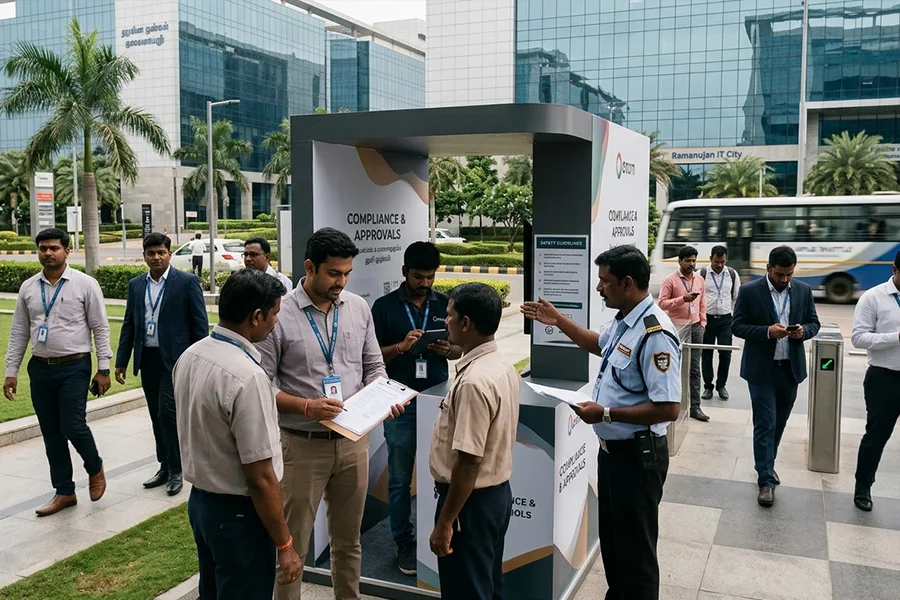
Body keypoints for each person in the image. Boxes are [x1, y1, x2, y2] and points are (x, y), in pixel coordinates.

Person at [522, 245, 680, 600]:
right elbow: (599, 344)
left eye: (604, 282)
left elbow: (669, 407)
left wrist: (606, 414)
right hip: (612, 455)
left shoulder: (655, 333)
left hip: (638, 458)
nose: (598, 288)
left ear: (627, 283)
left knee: (635, 555)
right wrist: (558, 320)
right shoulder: (626, 320)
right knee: (613, 544)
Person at [256, 227, 405, 600]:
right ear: (309, 267)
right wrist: (306, 406)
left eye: (347, 273)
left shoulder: (357, 307)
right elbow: (262, 386)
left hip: (353, 443)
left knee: (348, 542)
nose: (342, 281)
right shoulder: (281, 314)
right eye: (334, 273)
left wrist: (385, 398)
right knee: (292, 547)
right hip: (301, 447)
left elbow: (374, 367)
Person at [173, 269, 302, 599]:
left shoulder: (191, 355)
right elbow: (260, 477)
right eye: (274, 314)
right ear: (256, 316)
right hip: (239, 515)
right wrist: (285, 544)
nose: (276, 323)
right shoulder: (247, 377)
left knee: (213, 591)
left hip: (202, 505)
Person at [3, 228, 110, 516]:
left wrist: (103, 368)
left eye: (54, 248)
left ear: (67, 251)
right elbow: (18, 333)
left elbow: (100, 327)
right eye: (43, 248)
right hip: (40, 369)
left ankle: (95, 466)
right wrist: (11, 371)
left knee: (73, 425)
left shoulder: (84, 284)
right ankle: (64, 491)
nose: (48, 253)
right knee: (51, 433)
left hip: (74, 366)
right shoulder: (28, 288)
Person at [371, 241, 462, 576]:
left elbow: (458, 351)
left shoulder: (446, 304)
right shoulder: (383, 307)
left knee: (441, 473)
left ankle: (437, 533)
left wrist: (445, 349)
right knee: (399, 479)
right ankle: (404, 543)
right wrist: (400, 347)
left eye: (431, 276)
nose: (425, 283)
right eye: (419, 276)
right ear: (404, 272)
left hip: (439, 402)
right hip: (399, 403)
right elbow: (372, 357)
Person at [429, 283, 519, 600]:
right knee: (488, 584)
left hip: (469, 506)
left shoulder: (474, 381)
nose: (445, 321)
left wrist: (445, 522)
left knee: (466, 590)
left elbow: (469, 461)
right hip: (494, 498)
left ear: (466, 323)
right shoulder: (502, 366)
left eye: (449, 315)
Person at [115, 232, 209, 496]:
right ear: (144, 256)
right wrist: (122, 361)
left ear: (169, 254)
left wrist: (199, 362)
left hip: (177, 361)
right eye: (151, 253)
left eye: (161, 252)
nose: (156, 257)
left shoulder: (187, 282)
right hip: (149, 359)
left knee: (168, 413)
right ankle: (164, 465)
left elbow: (199, 326)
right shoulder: (136, 285)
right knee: (155, 414)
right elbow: (129, 324)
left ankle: (178, 470)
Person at [732, 245, 820, 507]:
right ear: (768, 269)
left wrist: (803, 331)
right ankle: (765, 481)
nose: (784, 280)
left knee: (779, 422)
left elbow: (814, 322)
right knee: (765, 422)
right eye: (780, 274)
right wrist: (767, 332)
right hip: (761, 370)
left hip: (790, 369)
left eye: (789, 275)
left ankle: (767, 463)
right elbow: (737, 326)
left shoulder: (803, 290)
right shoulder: (749, 291)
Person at [850, 250, 900, 512]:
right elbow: (858, 338)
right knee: (877, 436)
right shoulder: (873, 297)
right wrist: (896, 337)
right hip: (885, 379)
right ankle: (863, 487)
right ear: (895, 270)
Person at [658, 245, 708, 422]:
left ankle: (695, 406)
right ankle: (672, 405)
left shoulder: (699, 279)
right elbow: (662, 304)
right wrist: (682, 300)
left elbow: (702, 303)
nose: (691, 264)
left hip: (695, 326)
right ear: (679, 261)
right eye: (688, 261)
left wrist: (702, 322)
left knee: (694, 368)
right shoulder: (670, 280)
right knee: (673, 367)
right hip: (676, 327)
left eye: (694, 260)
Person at [699, 246, 741, 401]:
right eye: (717, 262)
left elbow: (737, 297)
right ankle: (708, 386)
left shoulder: (732, 274)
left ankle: (721, 385)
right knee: (706, 353)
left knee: (725, 354)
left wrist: (735, 317)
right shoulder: (701, 274)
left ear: (726, 259)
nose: (719, 265)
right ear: (711, 259)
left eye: (722, 262)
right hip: (707, 319)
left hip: (726, 320)